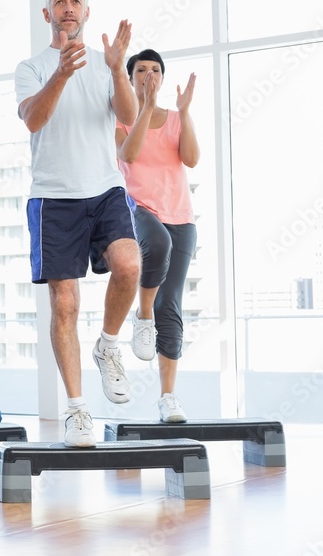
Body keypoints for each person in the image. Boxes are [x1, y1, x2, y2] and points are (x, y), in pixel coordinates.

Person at [14, 0, 140, 448]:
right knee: (64, 304)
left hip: (104, 187)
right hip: (53, 195)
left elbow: (124, 114)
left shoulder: (106, 64)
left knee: (129, 264)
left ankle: (108, 345)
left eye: (76, 1)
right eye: (59, 2)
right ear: (46, 13)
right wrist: (62, 73)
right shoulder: (31, 67)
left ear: (87, 11)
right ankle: (77, 410)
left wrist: (116, 69)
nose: (68, 8)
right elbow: (33, 119)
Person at [116, 49, 199, 423]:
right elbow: (129, 156)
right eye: (141, 70)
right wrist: (146, 107)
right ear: (131, 77)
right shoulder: (121, 118)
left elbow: (192, 158)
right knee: (158, 245)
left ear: (162, 77)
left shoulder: (177, 118)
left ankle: (168, 398)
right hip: (142, 209)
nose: (148, 74)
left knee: (173, 305)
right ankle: (142, 315)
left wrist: (186, 112)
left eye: (154, 70)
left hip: (182, 215)